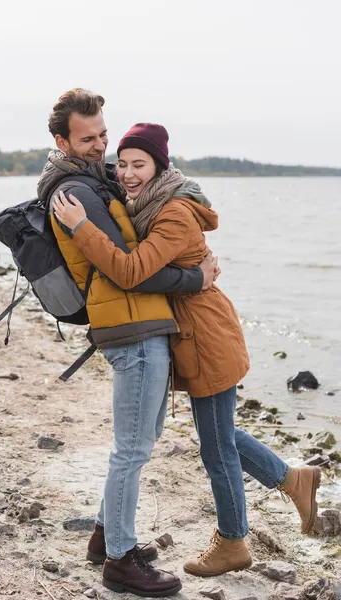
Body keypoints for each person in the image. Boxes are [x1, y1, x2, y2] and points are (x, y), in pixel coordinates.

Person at [53, 122, 322, 582]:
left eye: (140, 164)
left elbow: (132, 269)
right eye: (125, 164)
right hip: (190, 336)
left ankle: (234, 541)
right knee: (219, 435)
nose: (129, 173)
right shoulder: (146, 203)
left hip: (207, 336)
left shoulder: (173, 211)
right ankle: (292, 479)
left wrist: (81, 228)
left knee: (217, 445)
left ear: (161, 165)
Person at [38, 89, 219, 597]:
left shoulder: (92, 182)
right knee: (132, 450)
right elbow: (131, 271)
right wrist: (194, 280)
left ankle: (106, 535)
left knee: (139, 442)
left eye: (102, 135)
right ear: (62, 140)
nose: (100, 147)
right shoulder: (78, 193)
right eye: (86, 138)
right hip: (132, 327)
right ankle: (119, 561)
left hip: (136, 325)